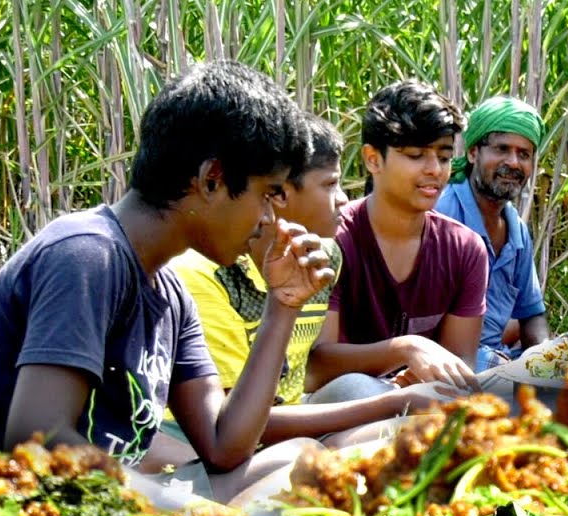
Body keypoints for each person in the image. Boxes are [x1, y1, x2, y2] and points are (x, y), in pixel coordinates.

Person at [0, 61, 334, 502]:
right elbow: (39, 440)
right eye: (266, 194)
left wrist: (281, 307)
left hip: (107, 502)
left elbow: (223, 444)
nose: (269, 218)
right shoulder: (86, 255)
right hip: (7, 514)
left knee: (303, 464)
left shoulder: (170, 294)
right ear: (212, 180)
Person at [148, 114, 447, 470]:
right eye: (330, 185)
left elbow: (305, 374)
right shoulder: (208, 276)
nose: (343, 200)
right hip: (205, 442)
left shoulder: (324, 258)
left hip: (285, 424)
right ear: (280, 194)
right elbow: (228, 431)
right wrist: (391, 404)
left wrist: (399, 378)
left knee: (392, 414)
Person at [308, 80, 487, 396]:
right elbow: (315, 366)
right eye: (416, 155)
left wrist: (419, 379)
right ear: (373, 159)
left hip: (416, 403)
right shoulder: (332, 241)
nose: (434, 169)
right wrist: (406, 349)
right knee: (359, 388)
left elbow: (460, 362)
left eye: (444, 157)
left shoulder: (466, 249)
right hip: (336, 406)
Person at [435, 96, 551, 370]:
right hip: (447, 363)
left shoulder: (516, 231)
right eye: (502, 149)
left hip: (496, 359)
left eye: (524, 154)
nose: (513, 162)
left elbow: (532, 314)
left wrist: (546, 362)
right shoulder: (443, 214)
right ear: (473, 153)